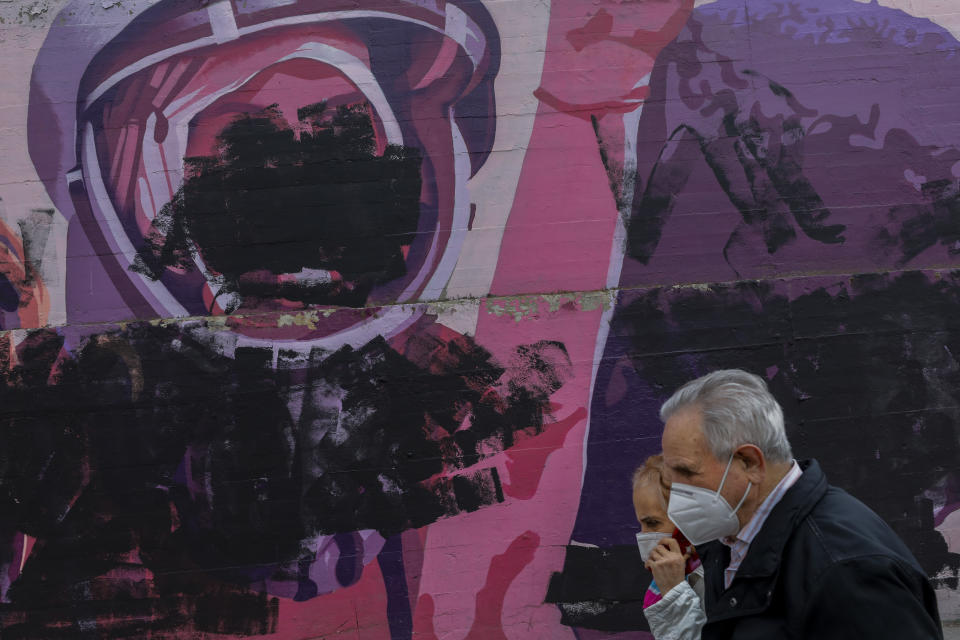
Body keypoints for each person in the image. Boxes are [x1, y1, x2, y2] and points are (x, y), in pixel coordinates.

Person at [658, 369, 944, 639]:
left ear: (750, 463)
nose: (674, 489)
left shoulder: (847, 571)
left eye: (686, 471)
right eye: (669, 474)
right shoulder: (728, 539)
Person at [633, 454, 706, 639]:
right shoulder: (681, 577)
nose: (644, 535)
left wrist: (674, 591)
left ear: (687, 522)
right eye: (641, 525)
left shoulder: (718, 576)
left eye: (653, 523)